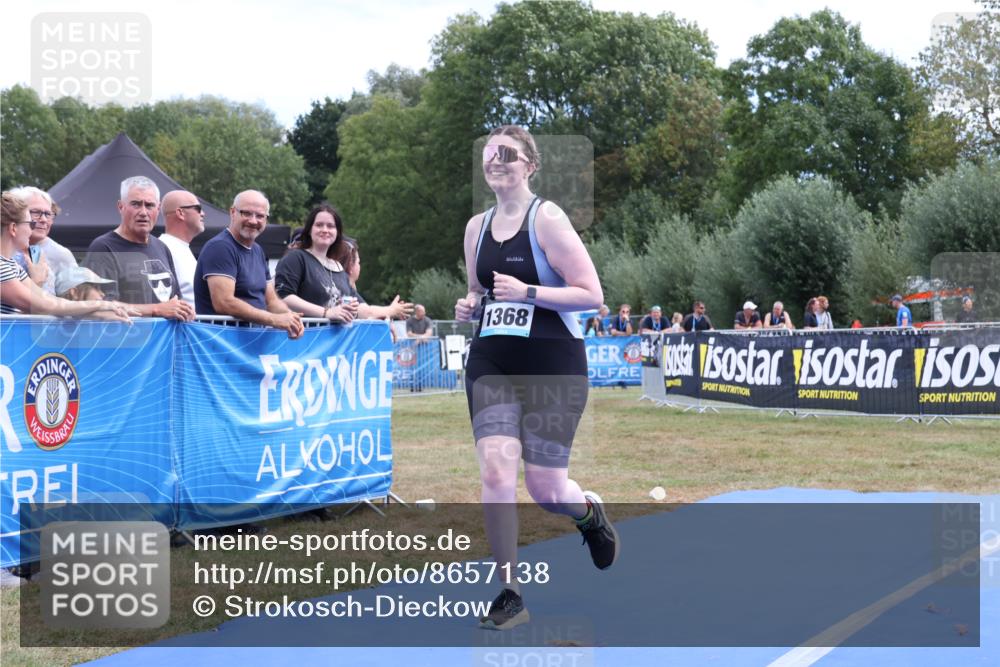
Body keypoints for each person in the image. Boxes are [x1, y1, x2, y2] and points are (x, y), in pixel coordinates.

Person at [453, 126, 618, 630]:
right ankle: (510, 593)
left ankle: (588, 512)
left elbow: (592, 294)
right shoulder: (475, 227)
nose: (496, 161)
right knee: (497, 474)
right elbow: (480, 293)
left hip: (552, 361)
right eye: (489, 154)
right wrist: (468, 306)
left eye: (508, 154)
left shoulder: (546, 218)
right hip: (491, 362)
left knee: (546, 489)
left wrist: (528, 292)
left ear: (529, 165)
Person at [1, 191, 132, 322]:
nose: (32, 229)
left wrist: (97, 313)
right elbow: (43, 306)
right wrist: (102, 305)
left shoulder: (11, 265)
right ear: (13, 228)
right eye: (30, 224)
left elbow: (51, 301)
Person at [194, 190, 303, 339]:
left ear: (266, 219)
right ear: (232, 212)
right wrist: (274, 319)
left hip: (248, 348)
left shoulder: (257, 250)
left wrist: (291, 318)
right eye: (246, 213)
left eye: (260, 216)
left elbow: (271, 301)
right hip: (221, 347)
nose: (253, 221)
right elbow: (223, 302)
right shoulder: (220, 247)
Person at [83, 176, 194, 321]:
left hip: (162, 342)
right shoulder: (103, 247)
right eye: (136, 204)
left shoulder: (162, 247)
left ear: (158, 208)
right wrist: (156, 309)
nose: (143, 212)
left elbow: (175, 300)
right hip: (123, 340)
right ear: (121, 207)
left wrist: (185, 310)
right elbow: (100, 306)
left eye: (149, 205)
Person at [273, 203, 358, 325]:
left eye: (330, 226)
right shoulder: (295, 258)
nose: (325, 230)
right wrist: (326, 313)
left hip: (336, 341)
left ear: (337, 233)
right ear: (309, 230)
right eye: (319, 225)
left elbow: (358, 307)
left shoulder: (338, 267)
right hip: (303, 337)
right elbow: (283, 296)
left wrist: (353, 308)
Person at [8, 186, 78, 295]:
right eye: (35, 212)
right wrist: (37, 282)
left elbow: (74, 298)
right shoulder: (4, 251)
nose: (44, 220)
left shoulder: (60, 254)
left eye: (48, 214)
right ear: (14, 214)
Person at [159, 190, 206, 307]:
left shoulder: (179, 248)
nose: (203, 213)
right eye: (198, 209)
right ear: (181, 213)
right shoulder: (162, 248)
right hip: (180, 325)